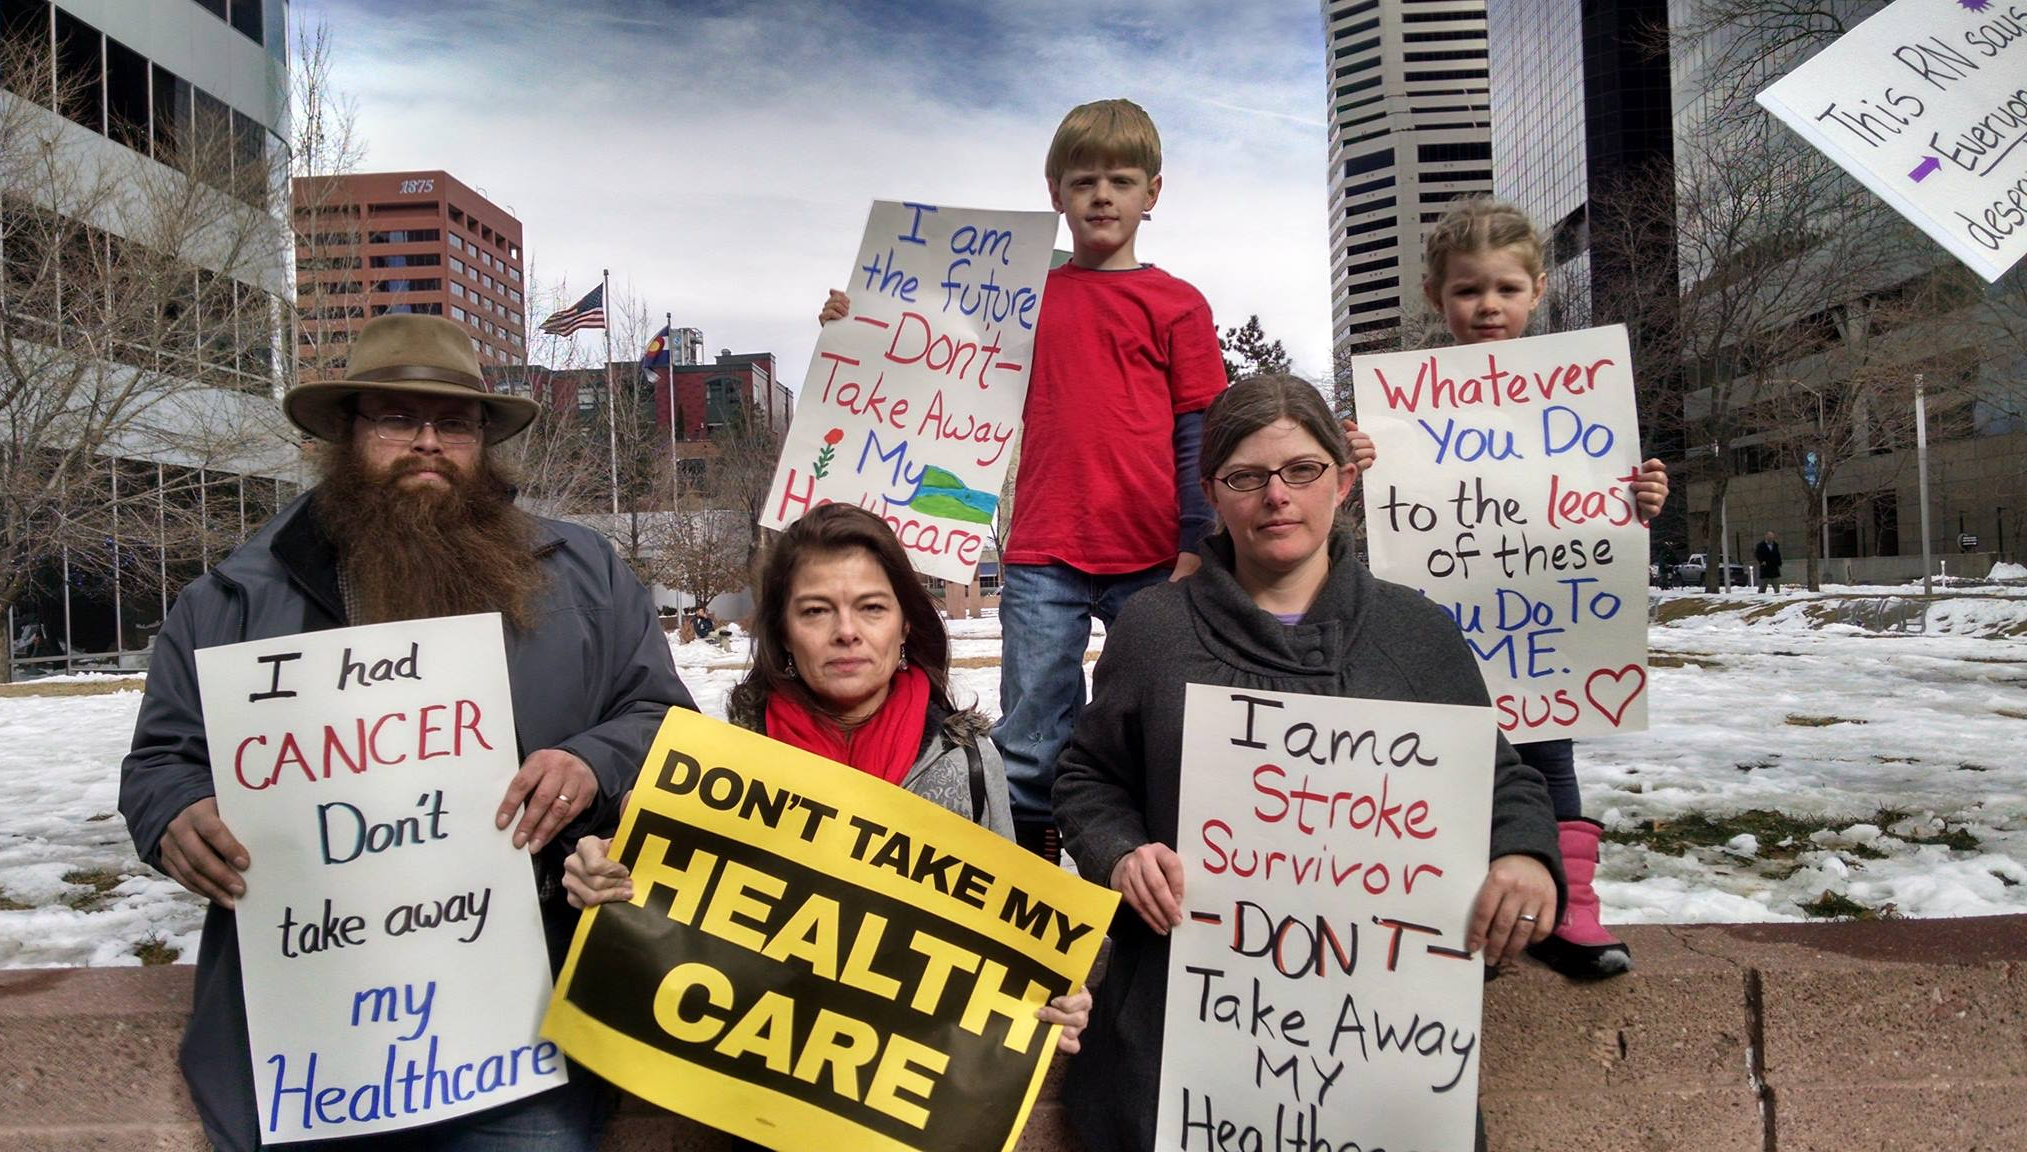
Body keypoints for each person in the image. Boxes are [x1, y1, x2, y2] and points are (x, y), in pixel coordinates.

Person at [117, 313, 696, 1152]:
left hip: (519, 1032)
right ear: (347, 434)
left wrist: (590, 760)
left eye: (453, 423)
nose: (427, 441)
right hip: (314, 1039)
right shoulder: (234, 598)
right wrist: (174, 811)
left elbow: (663, 722)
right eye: (396, 418)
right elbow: (161, 761)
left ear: (482, 442)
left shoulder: (587, 575)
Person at [1050, 375, 1563, 1152]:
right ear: (1213, 494)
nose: (1276, 497)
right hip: (1180, 1041)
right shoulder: (1153, 631)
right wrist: (1120, 854)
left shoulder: (1417, 633)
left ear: (1345, 479)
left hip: (1383, 1051)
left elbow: (1501, 780)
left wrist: (1526, 855)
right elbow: (1088, 778)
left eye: (1301, 471)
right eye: (1246, 477)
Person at [561, 504, 1093, 1131]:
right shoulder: (717, 766)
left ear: (904, 627)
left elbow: (1009, 949)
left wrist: (1054, 996)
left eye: (871, 607)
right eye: (816, 610)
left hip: (912, 1118)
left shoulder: (970, 761)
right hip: (763, 1114)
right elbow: (660, 920)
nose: (847, 632)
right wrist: (603, 880)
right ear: (783, 633)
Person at [823, 99, 1243, 863]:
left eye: (1121, 179)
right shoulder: (1024, 299)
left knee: (1158, 719)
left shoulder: (1178, 305)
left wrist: (1195, 541)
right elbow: (928, 353)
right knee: (1032, 727)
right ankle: (1025, 878)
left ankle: (1151, 864)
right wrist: (859, 324)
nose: (1103, 196)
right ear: (1055, 193)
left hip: (1153, 552)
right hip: (1044, 549)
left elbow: (1199, 435)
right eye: (1084, 180)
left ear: (1154, 193)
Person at [1347, 197, 1666, 979]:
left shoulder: (1574, 392)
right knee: (1446, 765)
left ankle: (1566, 907)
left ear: (1539, 289)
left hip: (1541, 634)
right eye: (1467, 291)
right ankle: (1466, 913)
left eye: (1505, 289)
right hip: (1443, 628)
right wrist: (1353, 459)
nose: (1487, 306)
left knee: (1546, 759)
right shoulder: (1400, 410)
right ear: (1436, 298)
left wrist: (1641, 500)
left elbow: (1594, 507)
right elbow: (1375, 518)